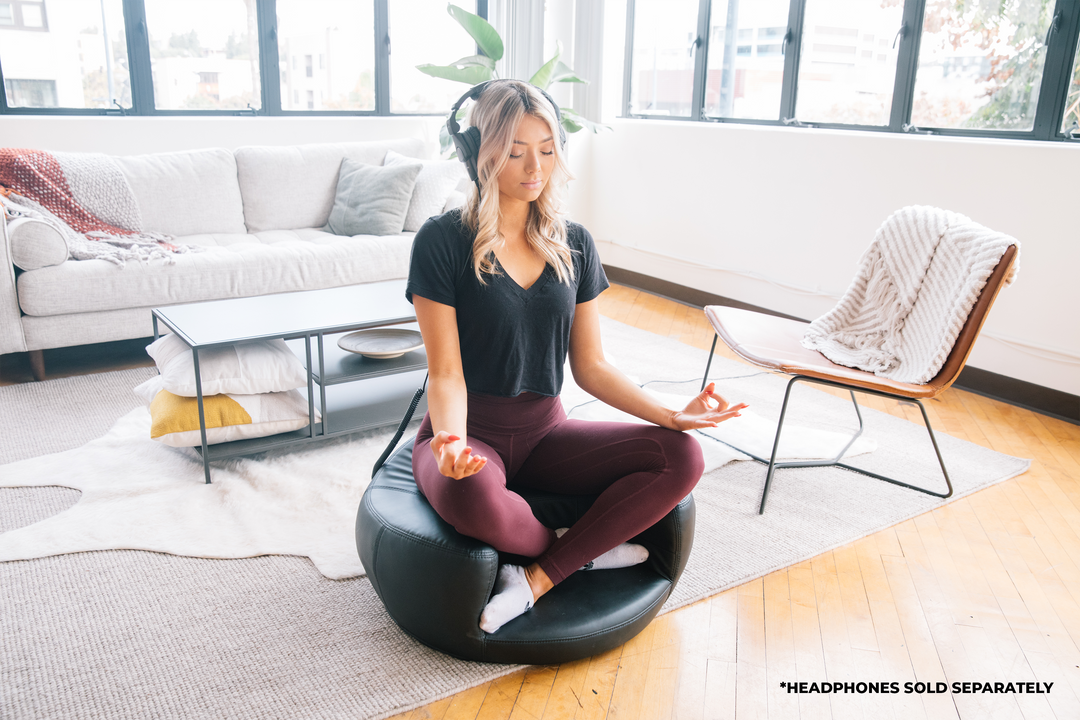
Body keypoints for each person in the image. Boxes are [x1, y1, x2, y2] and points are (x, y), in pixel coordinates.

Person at [406, 79, 747, 634]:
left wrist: (670, 415)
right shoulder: (442, 242)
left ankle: (540, 576)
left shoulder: (576, 243)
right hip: (471, 435)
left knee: (683, 456)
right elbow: (445, 373)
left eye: (546, 149)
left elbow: (591, 365)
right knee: (471, 493)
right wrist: (450, 443)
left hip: (545, 432)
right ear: (478, 155)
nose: (534, 166)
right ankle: (578, 548)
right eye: (515, 151)